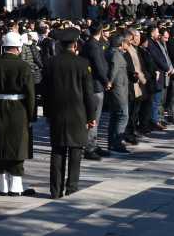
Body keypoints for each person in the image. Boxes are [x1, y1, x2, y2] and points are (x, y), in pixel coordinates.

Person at [43, 27, 95, 199]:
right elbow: (88, 93)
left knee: (57, 151)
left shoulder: (50, 63)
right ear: (75, 45)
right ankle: (71, 187)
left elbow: (45, 91)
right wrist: (91, 116)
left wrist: (48, 113)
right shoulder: (82, 63)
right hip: (77, 113)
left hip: (57, 113)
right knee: (75, 150)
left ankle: (55, 190)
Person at [0, 31, 36, 196]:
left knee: (2, 143)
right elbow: (30, 93)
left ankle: (3, 184)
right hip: (18, 108)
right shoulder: (23, 66)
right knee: (18, 144)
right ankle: (16, 185)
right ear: (18, 48)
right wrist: (31, 115)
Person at [79, 22, 110, 160]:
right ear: (101, 31)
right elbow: (99, 65)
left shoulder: (92, 44)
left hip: (95, 84)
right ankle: (89, 147)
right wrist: (106, 81)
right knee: (93, 118)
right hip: (95, 85)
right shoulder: (93, 46)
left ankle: (93, 144)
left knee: (95, 118)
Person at [107, 33, 130, 153]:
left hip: (119, 87)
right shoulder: (115, 54)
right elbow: (114, 69)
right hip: (118, 88)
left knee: (115, 116)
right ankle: (118, 142)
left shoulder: (113, 52)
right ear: (121, 44)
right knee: (123, 114)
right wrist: (109, 82)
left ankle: (112, 142)